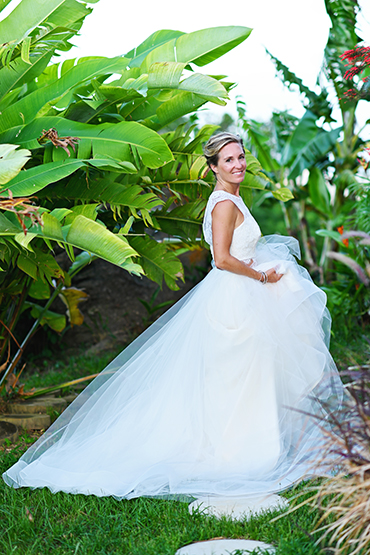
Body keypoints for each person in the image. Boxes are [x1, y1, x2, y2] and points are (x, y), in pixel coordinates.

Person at [3, 132, 343, 500]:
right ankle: (241, 450)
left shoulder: (231, 198)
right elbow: (222, 259)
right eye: (228, 160)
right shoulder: (225, 204)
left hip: (237, 292)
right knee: (239, 374)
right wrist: (262, 276)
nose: (238, 164)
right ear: (213, 167)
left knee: (245, 375)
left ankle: (253, 441)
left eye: (241, 157)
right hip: (236, 297)